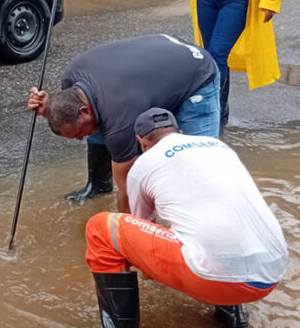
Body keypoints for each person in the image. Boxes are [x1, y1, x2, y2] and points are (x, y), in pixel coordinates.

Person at [84, 108, 288, 328]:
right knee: (208, 218)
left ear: (141, 142)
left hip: (218, 279)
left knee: (101, 227)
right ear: (178, 132)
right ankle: (231, 318)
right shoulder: (217, 146)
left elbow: (142, 225)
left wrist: (151, 276)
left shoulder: (143, 164)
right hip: (272, 272)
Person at [27, 34, 220, 212]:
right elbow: (66, 108)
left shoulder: (119, 121)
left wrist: (124, 231)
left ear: (84, 110)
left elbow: (128, 189)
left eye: (77, 133)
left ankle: (206, 212)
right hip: (160, 56)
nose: (79, 139)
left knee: (196, 162)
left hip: (196, 70)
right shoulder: (71, 80)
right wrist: (49, 107)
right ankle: (99, 185)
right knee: (96, 124)